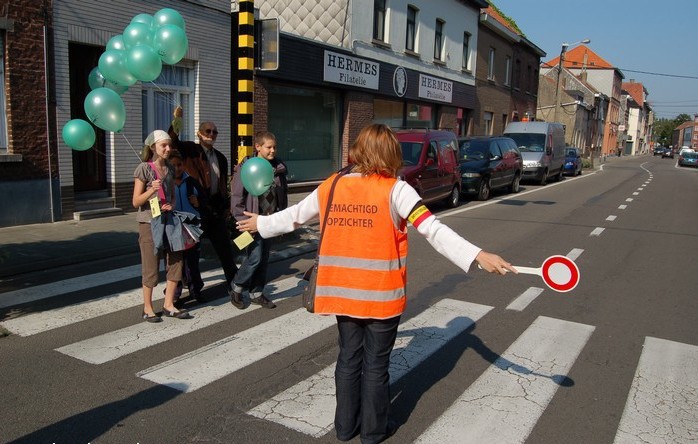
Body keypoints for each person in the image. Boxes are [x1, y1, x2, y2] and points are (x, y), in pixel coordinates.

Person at [235, 124, 516, 443]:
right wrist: (478, 254)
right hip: (380, 296)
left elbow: (297, 215)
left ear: (359, 150)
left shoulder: (334, 184)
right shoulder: (397, 189)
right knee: (376, 364)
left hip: (341, 291)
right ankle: (372, 431)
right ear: (390, 154)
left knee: (348, 357)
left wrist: (262, 223)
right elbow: (433, 230)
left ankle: (344, 427)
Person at [170, 121, 238, 300]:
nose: (211, 134)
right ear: (199, 134)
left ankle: (235, 282)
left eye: (215, 132)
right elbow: (173, 142)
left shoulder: (221, 158)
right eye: (208, 131)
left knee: (224, 247)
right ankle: (193, 289)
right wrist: (176, 122)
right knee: (191, 253)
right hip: (196, 210)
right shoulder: (190, 151)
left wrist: (226, 206)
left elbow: (223, 184)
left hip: (215, 209)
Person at [132, 130, 191, 322]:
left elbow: (173, 197)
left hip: (169, 219)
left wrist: (171, 205)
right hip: (149, 222)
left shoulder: (170, 169)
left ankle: (168, 304)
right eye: (163, 145)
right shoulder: (144, 168)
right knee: (151, 264)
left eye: (169, 145)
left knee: (176, 259)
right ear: (153, 148)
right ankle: (147, 308)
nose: (167, 149)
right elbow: (135, 201)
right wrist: (151, 191)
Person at [229, 131, 289, 309]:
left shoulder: (278, 168)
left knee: (263, 257)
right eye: (268, 147)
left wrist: (281, 219)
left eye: (274, 147)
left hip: (270, 220)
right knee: (254, 257)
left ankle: (256, 292)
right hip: (252, 220)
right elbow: (237, 196)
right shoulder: (247, 166)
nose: (272, 151)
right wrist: (241, 220)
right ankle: (237, 287)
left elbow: (282, 196)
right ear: (258, 147)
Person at [169, 149, 205, 304]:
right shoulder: (165, 183)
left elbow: (203, 198)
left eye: (179, 164)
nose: (177, 168)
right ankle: (174, 294)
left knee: (192, 262)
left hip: (191, 228)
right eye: (173, 165)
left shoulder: (191, 181)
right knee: (176, 264)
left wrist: (199, 202)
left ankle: (195, 290)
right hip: (173, 228)